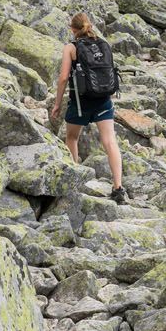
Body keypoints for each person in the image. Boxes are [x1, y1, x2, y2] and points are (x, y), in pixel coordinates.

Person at [50, 12, 127, 204]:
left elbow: (63, 78)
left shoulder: (71, 47)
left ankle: (75, 179)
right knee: (110, 142)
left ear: (73, 29)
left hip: (80, 102)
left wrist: (57, 104)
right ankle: (118, 188)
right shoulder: (103, 44)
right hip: (103, 100)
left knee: (72, 137)